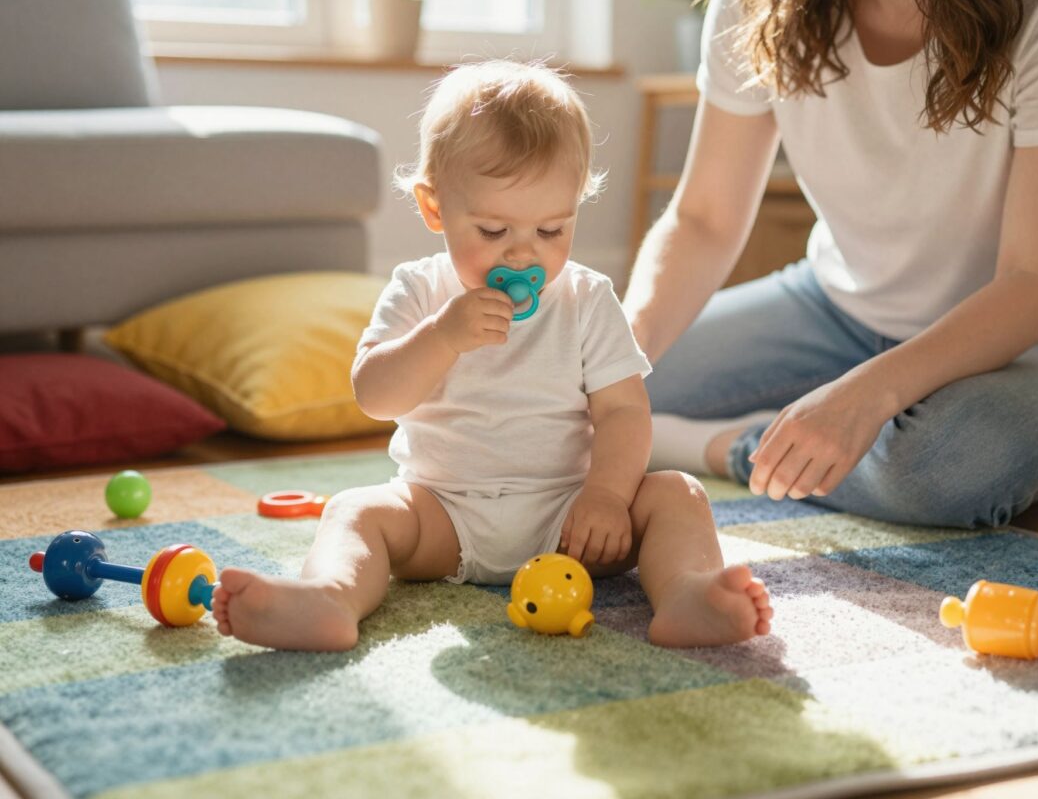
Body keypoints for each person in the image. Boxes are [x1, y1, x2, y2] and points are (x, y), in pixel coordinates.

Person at [212, 60, 773, 651]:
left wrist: (606, 496)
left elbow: (624, 412)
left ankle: (688, 594)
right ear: (435, 209)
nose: (523, 256)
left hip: (572, 519)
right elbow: (375, 396)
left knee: (678, 493)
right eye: (493, 231)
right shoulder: (419, 288)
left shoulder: (585, 297)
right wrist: (440, 337)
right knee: (357, 510)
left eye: (552, 230)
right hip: (444, 515)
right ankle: (329, 597)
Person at [627, 0, 1038, 529]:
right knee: (581, 400)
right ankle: (802, 435)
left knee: (937, 465)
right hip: (833, 310)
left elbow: (1033, 281)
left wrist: (869, 394)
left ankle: (733, 447)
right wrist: (619, 360)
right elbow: (704, 219)